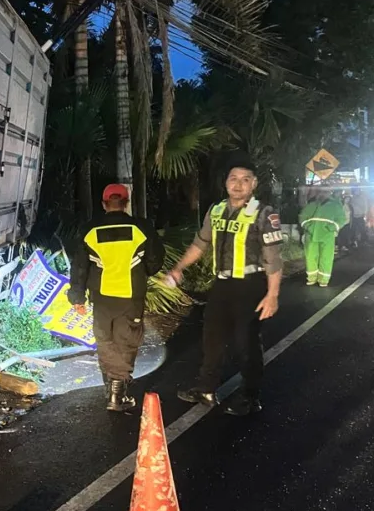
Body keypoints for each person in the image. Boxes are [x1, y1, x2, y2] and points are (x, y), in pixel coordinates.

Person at [167, 155, 282, 416]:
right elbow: (200, 244)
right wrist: (179, 268)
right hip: (222, 284)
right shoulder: (216, 210)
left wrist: (273, 294)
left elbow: (273, 257)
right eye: (233, 179)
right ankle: (206, 388)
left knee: (246, 343)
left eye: (245, 180)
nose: (238, 184)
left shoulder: (264, 213)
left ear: (254, 184)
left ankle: (250, 396)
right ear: (225, 183)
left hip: (251, 285)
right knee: (212, 339)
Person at [68, 184, 164, 413]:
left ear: (103, 204)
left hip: (101, 297)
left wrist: (77, 297)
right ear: (126, 203)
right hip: (130, 296)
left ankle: (110, 387)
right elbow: (154, 261)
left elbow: (79, 266)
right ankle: (117, 393)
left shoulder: (89, 229)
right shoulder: (141, 228)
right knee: (126, 341)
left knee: (105, 340)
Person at [299, 190, 346, 287]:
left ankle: (323, 279)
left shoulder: (335, 206)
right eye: (321, 192)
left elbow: (341, 219)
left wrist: (331, 228)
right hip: (311, 235)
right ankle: (311, 278)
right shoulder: (311, 205)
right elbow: (302, 217)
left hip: (327, 236)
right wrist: (308, 227)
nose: (323, 194)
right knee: (310, 257)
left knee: (326, 257)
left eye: (325, 192)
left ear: (329, 193)